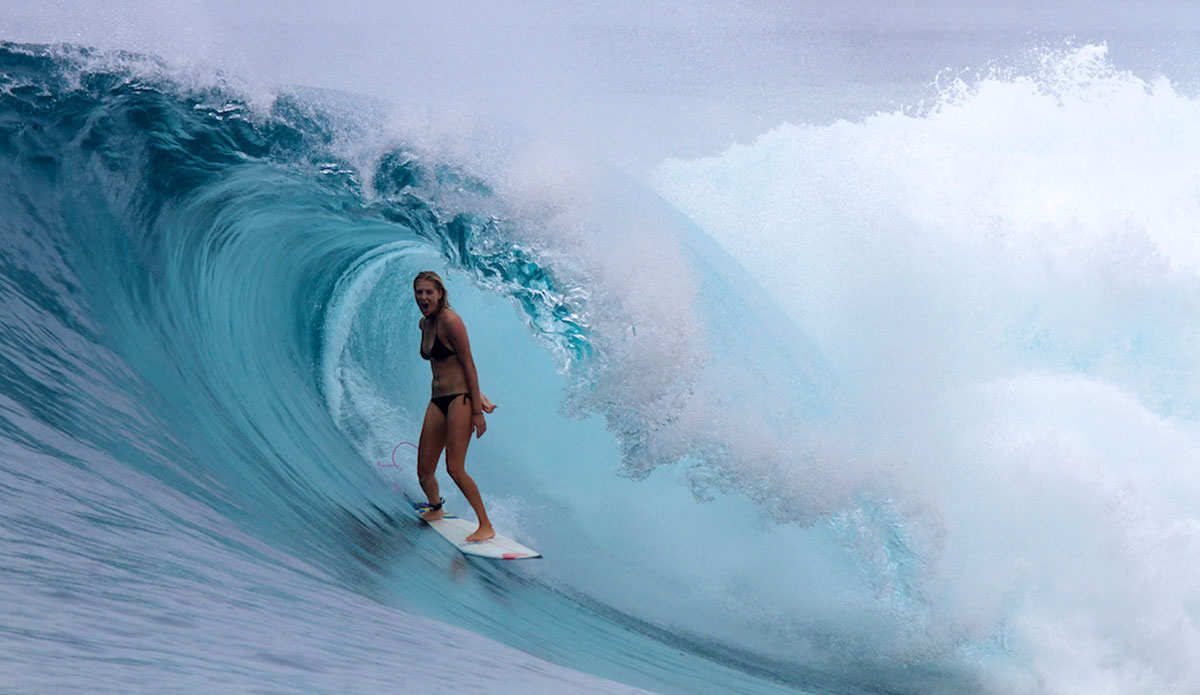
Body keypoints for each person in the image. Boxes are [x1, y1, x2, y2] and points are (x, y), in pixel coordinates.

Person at [412, 270, 497, 543]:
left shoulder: (451, 320)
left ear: (440, 293)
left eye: (429, 292)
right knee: (424, 471)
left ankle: (486, 525)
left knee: (454, 468)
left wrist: (476, 408)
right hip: (437, 400)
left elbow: (468, 363)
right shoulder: (425, 324)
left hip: (460, 400)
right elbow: (446, 364)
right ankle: (436, 508)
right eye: (419, 292)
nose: (423, 297)